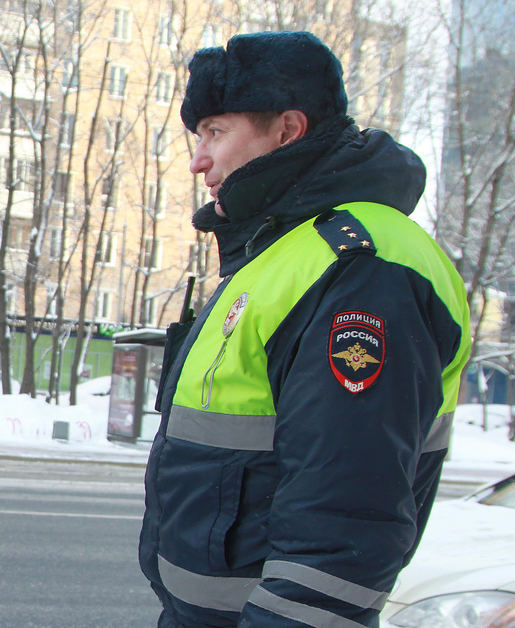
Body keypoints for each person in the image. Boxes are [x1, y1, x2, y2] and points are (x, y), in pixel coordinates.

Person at [139, 32, 471, 627]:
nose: (199, 159)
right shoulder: (284, 252)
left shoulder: (362, 267)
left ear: (287, 130)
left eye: (216, 131)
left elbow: (345, 515)